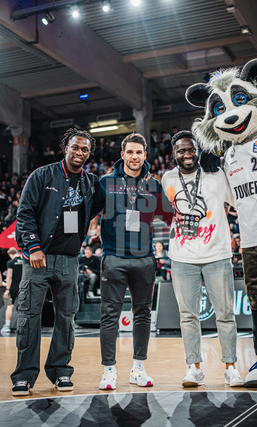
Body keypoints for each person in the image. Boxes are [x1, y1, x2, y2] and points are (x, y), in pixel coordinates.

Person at [11, 128, 98, 396]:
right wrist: (33, 247)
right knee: (29, 316)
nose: (79, 152)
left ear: (89, 154)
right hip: (39, 257)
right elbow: (24, 213)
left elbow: (116, 188)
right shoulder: (42, 175)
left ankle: (60, 371)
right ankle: (24, 375)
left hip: (69, 259)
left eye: (85, 149)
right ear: (65, 147)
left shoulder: (91, 182)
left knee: (66, 318)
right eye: (75, 147)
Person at [91, 133, 173, 391]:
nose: (134, 156)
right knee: (109, 316)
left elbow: (171, 217)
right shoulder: (106, 182)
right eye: (130, 152)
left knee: (143, 315)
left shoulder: (154, 185)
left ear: (145, 155)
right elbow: (87, 213)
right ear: (122, 154)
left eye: (139, 152)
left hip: (144, 258)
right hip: (113, 257)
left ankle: (138, 368)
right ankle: (109, 369)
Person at [161, 130, 243, 388]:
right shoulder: (167, 178)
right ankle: (193, 368)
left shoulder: (215, 174)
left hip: (217, 254)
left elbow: (238, 199)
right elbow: (164, 212)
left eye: (191, 149)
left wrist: (223, 164)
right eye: (181, 150)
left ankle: (230, 367)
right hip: (182, 257)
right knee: (188, 316)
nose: (187, 154)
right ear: (174, 154)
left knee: (225, 314)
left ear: (198, 151)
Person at [1, 247, 24, 334]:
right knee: (23, 307)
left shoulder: (10, 262)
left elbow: (9, 276)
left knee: (10, 306)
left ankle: (7, 326)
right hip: (23, 286)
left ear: (10, 254)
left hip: (14, 286)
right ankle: (23, 326)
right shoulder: (24, 261)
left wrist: (7, 289)